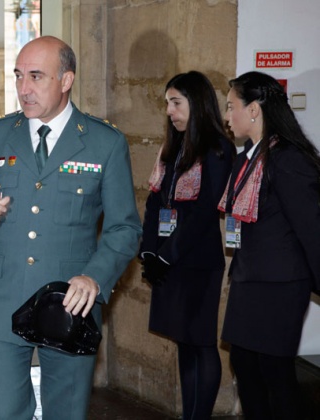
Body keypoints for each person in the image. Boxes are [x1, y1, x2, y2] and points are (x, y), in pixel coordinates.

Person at [0, 36, 142, 419]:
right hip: (2, 295)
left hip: (71, 299)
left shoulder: (104, 143)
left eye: (36, 76)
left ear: (66, 79)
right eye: (19, 76)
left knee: (66, 411)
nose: (24, 88)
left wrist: (94, 277)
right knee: (4, 411)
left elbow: (125, 228)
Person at [218, 71, 320, 420]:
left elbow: (312, 230)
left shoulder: (288, 159)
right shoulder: (247, 157)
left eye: (232, 107)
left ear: (255, 110)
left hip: (280, 287)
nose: (227, 116)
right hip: (249, 281)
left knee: (275, 375)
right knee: (244, 366)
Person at [140, 71, 235, 419]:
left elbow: (204, 212)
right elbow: (155, 202)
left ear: (196, 103)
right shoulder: (173, 146)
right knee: (183, 339)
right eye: (167, 103)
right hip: (169, 258)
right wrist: (150, 250)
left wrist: (168, 256)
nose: (169, 110)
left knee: (201, 342)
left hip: (197, 262)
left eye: (176, 102)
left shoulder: (218, 149)